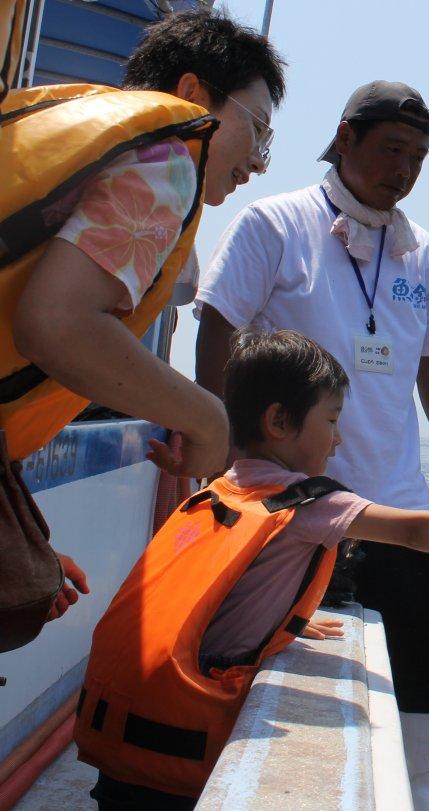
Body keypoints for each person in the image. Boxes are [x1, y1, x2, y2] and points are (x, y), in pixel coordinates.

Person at [76, 329, 429, 810]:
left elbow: (230, 592)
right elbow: (414, 532)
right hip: (179, 773)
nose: (338, 439)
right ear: (279, 422)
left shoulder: (222, 490)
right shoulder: (306, 502)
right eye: (331, 421)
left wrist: (292, 621)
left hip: (126, 747)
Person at [195, 81, 429, 807]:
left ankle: (419, 784)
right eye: (390, 149)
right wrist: (218, 443)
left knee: (427, 654)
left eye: (418, 156)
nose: (404, 169)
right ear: (345, 138)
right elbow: (219, 322)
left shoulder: (421, 254)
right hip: (291, 509)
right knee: (281, 665)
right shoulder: (274, 223)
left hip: (395, 500)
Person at [3, 9, 286, 626]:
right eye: (258, 131)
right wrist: (209, 419)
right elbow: (56, 323)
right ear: (191, 95)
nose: (260, 163)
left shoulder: (84, 144)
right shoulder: (168, 160)